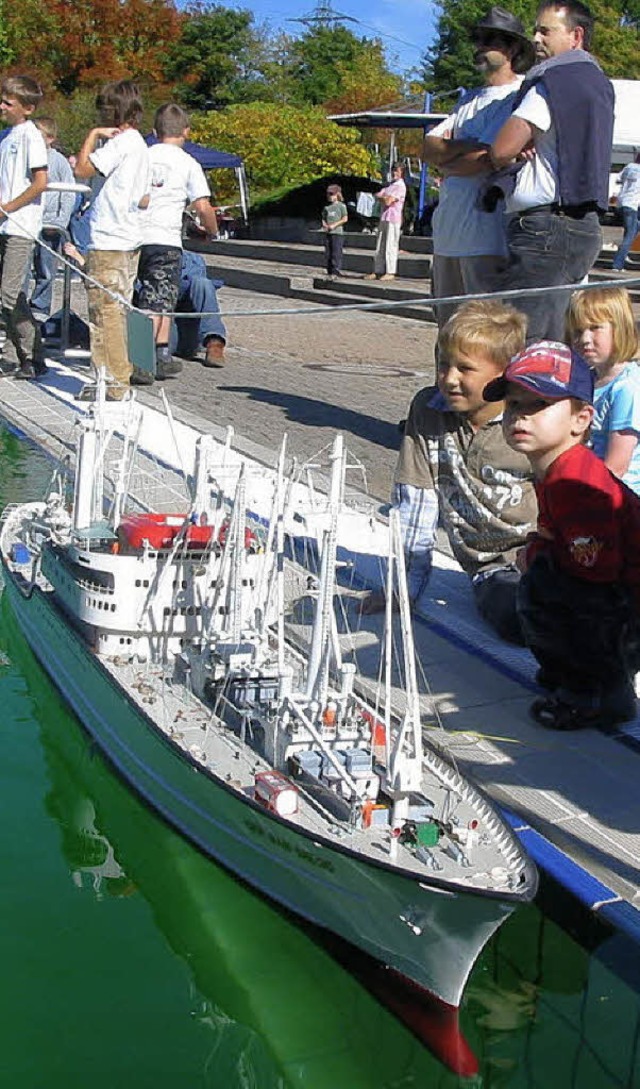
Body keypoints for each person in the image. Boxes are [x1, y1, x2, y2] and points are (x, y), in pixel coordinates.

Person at [486, 341, 640, 729]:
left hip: (622, 595)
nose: (521, 416)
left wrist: (537, 553)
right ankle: (577, 674)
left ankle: (599, 694)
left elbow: (594, 571)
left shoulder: (574, 481)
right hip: (621, 584)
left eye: (538, 405)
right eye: (514, 405)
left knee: (545, 591)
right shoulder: (558, 468)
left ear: (581, 419)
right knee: (548, 582)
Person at [365, 299, 536, 643]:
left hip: (547, 554)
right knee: (520, 616)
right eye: (443, 365)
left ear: (504, 373)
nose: (449, 379)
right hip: (494, 567)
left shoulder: (531, 418)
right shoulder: (428, 410)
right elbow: (415, 502)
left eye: (465, 368)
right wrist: (403, 588)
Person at [489, 0, 615, 342]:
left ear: (576, 36)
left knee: (529, 343)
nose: (535, 38)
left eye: (545, 30)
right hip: (579, 224)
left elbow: (501, 149)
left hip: (546, 228)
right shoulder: (599, 85)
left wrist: (512, 150)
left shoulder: (553, 82)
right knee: (555, 341)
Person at [423, 7, 534, 327]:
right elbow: (429, 148)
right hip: (447, 236)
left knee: (481, 334)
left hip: (486, 238)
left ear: (512, 48)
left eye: (490, 40)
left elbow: (491, 156)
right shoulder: (468, 99)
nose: (480, 47)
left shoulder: (519, 96)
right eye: (479, 39)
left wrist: (452, 155)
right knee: (447, 333)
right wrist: (462, 152)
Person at [74, 80, 150, 401]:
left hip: (108, 239)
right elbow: (145, 198)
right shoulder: (142, 146)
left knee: (104, 313)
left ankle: (111, 381)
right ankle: (123, 374)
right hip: (130, 238)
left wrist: (93, 135)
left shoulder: (119, 144)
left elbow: (82, 169)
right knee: (120, 310)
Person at [135, 103, 218, 383]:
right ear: (186, 131)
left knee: (139, 296)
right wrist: (211, 230)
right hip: (165, 239)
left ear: (154, 131)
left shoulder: (141, 157)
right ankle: (155, 357)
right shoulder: (188, 163)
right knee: (162, 298)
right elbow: (203, 206)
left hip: (134, 235)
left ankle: (139, 354)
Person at [565, 286, 640, 493]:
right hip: (585, 480)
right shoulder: (589, 379)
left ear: (620, 329)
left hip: (617, 497)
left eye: (595, 328)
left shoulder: (627, 388)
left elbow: (617, 466)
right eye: (578, 332)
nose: (585, 339)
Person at [0, 75, 48, 380]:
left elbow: (39, 182)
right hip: (6, 225)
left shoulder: (31, 136)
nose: (2, 106)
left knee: (7, 294)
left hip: (20, 225)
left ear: (27, 108)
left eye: (8, 103)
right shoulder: (7, 137)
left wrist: (8, 208)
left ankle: (29, 353)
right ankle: (25, 355)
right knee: (8, 295)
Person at [29, 117, 75, 320]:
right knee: (20, 268)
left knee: (46, 269)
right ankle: (15, 308)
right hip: (28, 221)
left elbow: (69, 192)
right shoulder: (26, 157)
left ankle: (40, 308)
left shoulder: (58, 161)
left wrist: (59, 221)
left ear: (50, 138)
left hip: (50, 224)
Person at [169, 250, 227, 367]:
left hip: (189, 328)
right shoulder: (142, 258)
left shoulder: (194, 260)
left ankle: (215, 342)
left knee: (203, 283)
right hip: (163, 329)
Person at [365, 165, 406, 281]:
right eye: (393, 170)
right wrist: (384, 197)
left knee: (390, 245)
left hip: (394, 218)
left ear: (402, 173)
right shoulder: (390, 185)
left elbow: (388, 201)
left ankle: (390, 271)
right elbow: (378, 195)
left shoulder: (400, 186)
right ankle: (378, 270)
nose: (394, 173)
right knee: (380, 245)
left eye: (396, 171)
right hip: (384, 217)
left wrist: (384, 197)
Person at [611, 154, 640, 271]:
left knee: (633, 229)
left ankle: (624, 252)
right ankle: (618, 264)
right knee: (630, 235)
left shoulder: (629, 166)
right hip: (632, 204)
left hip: (621, 202)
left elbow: (618, 179)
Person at [321, 184, 347, 280]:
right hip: (329, 233)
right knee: (328, 253)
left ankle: (335, 271)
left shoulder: (341, 206)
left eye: (332, 194)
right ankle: (329, 270)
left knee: (336, 253)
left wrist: (334, 225)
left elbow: (344, 218)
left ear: (337, 195)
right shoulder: (327, 208)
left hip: (337, 233)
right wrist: (324, 225)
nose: (330, 196)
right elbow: (323, 218)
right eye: (328, 194)